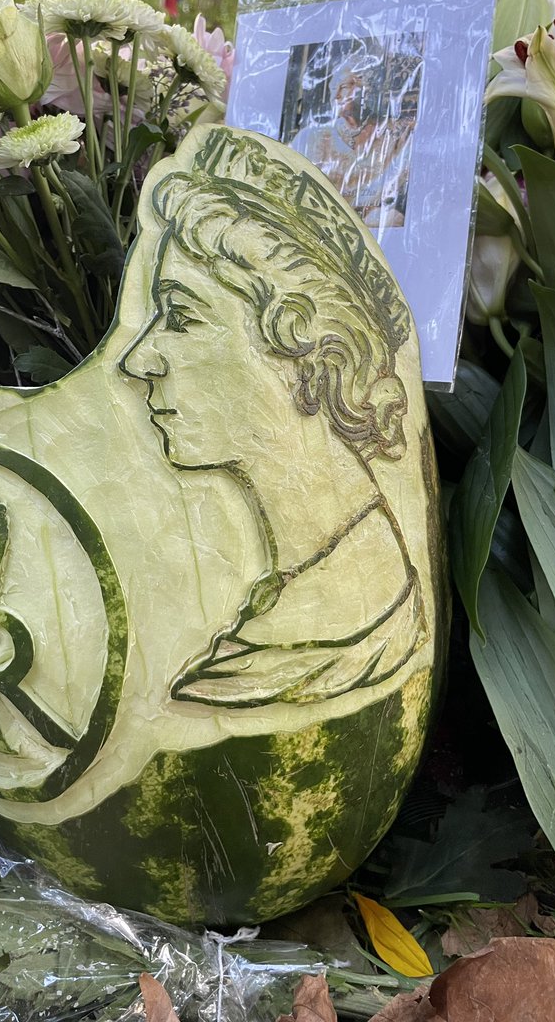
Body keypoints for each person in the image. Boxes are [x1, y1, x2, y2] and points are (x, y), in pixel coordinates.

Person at [120, 128, 428, 707]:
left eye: (181, 318)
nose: (139, 360)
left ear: (311, 354)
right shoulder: (288, 596)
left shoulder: (352, 621)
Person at [294, 48, 422, 230]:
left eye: (344, 87)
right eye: (333, 89)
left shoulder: (397, 133)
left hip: (372, 225)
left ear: (367, 89)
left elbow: (397, 182)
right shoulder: (312, 137)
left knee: (392, 218)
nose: (336, 95)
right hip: (325, 227)